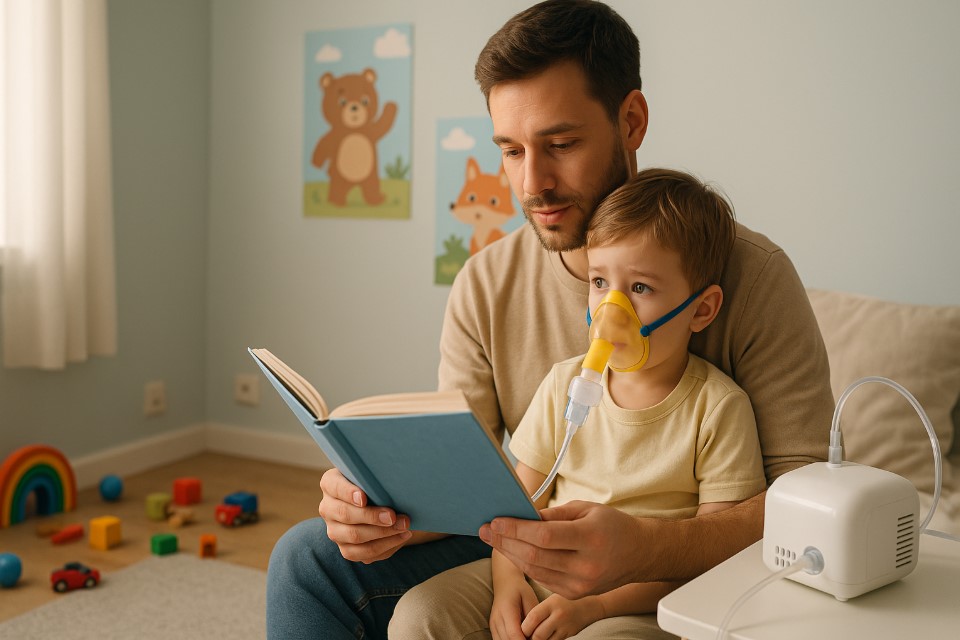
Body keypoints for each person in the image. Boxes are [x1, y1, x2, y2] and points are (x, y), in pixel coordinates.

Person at [265, 2, 834, 638]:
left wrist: (645, 550)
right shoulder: (485, 284)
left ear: (631, 122)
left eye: (560, 144)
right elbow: (472, 494)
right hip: (531, 546)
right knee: (306, 557)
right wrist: (372, 514)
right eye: (510, 151)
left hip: (675, 573)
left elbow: (804, 507)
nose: (533, 183)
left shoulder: (748, 276)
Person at [395, 168, 768, 640]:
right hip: (537, 571)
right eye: (598, 282)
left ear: (701, 309)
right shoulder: (562, 385)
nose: (612, 310)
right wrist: (509, 583)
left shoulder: (717, 409)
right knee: (421, 613)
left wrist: (593, 607)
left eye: (640, 289)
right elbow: (516, 507)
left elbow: (713, 557)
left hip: (641, 598)